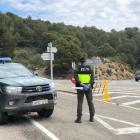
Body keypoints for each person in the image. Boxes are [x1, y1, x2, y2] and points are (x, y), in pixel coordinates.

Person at [74, 57, 95, 123]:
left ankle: (79, 118)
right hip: (88, 87)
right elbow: (92, 78)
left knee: (80, 102)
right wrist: (88, 84)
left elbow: (76, 78)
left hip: (80, 87)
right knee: (90, 101)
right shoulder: (90, 68)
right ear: (86, 61)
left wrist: (82, 84)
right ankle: (92, 117)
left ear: (80, 61)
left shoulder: (77, 68)